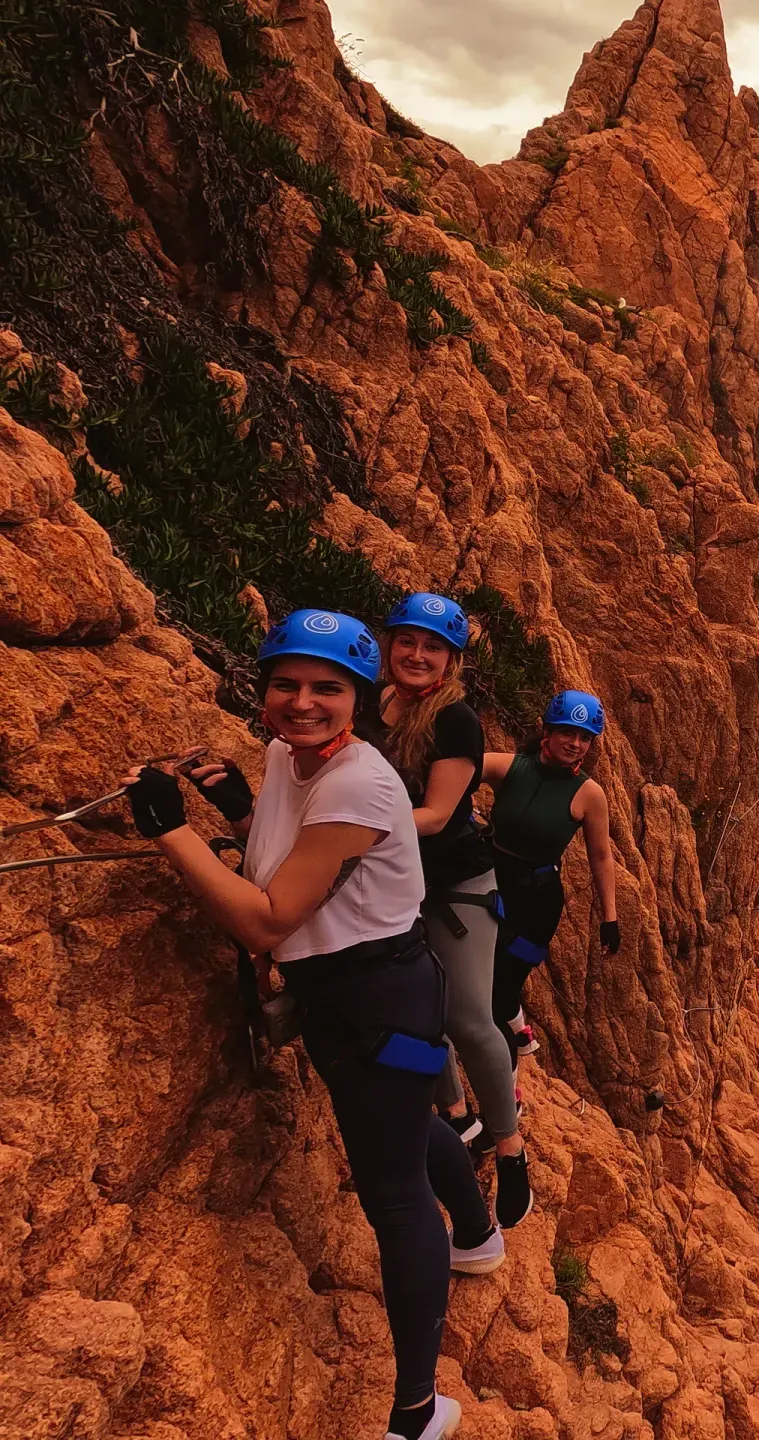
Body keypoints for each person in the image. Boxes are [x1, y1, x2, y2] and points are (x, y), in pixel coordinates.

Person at [123, 609, 500, 1440]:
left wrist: (169, 831)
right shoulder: (287, 758)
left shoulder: (360, 780)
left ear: (359, 701)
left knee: (394, 1197)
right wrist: (238, 813)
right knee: (402, 1124)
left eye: (328, 689)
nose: (303, 703)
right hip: (345, 996)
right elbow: (287, 863)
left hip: (381, 997)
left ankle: (416, 1409)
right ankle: (479, 1233)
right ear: (262, 694)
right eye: (285, 685)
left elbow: (265, 919)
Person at [375, 593, 531, 1227]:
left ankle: (510, 1145)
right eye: (407, 641)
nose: (416, 655)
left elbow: (438, 817)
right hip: (392, 881)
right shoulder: (370, 705)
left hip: (455, 883)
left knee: (468, 1019)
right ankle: (456, 1116)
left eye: (432, 646)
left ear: (452, 659)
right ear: (389, 644)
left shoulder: (456, 721)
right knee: (417, 1020)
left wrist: (344, 829)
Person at [481, 690, 621, 1061]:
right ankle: (518, 1028)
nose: (575, 744)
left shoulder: (589, 794)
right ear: (547, 730)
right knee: (482, 983)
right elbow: (458, 767)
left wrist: (610, 918)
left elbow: (601, 856)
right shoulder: (510, 768)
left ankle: (509, 1088)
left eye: (585, 738)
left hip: (537, 905)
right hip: (490, 889)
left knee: (499, 989)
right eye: (567, 733)